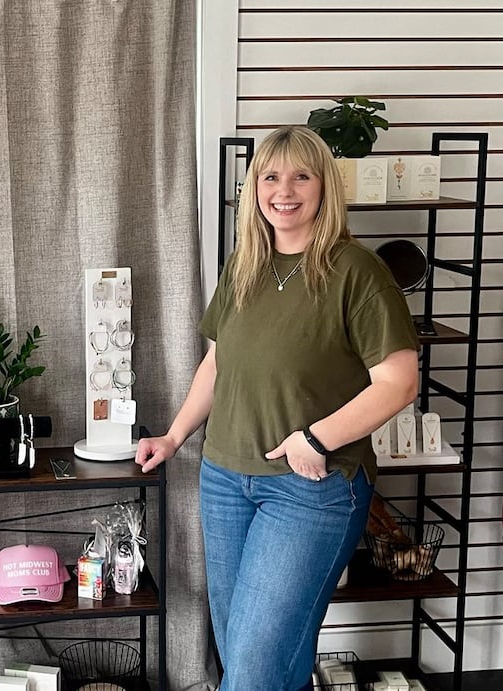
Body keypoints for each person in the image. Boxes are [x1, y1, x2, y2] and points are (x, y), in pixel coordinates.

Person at [136, 126, 420, 691]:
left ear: (324, 187)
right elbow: (217, 365)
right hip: (223, 480)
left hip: (309, 487)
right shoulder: (246, 264)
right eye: (270, 176)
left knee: (256, 669)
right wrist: (174, 437)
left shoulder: (357, 272)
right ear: (254, 188)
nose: (283, 190)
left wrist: (314, 440)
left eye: (300, 176)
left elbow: (400, 382)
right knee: (250, 656)